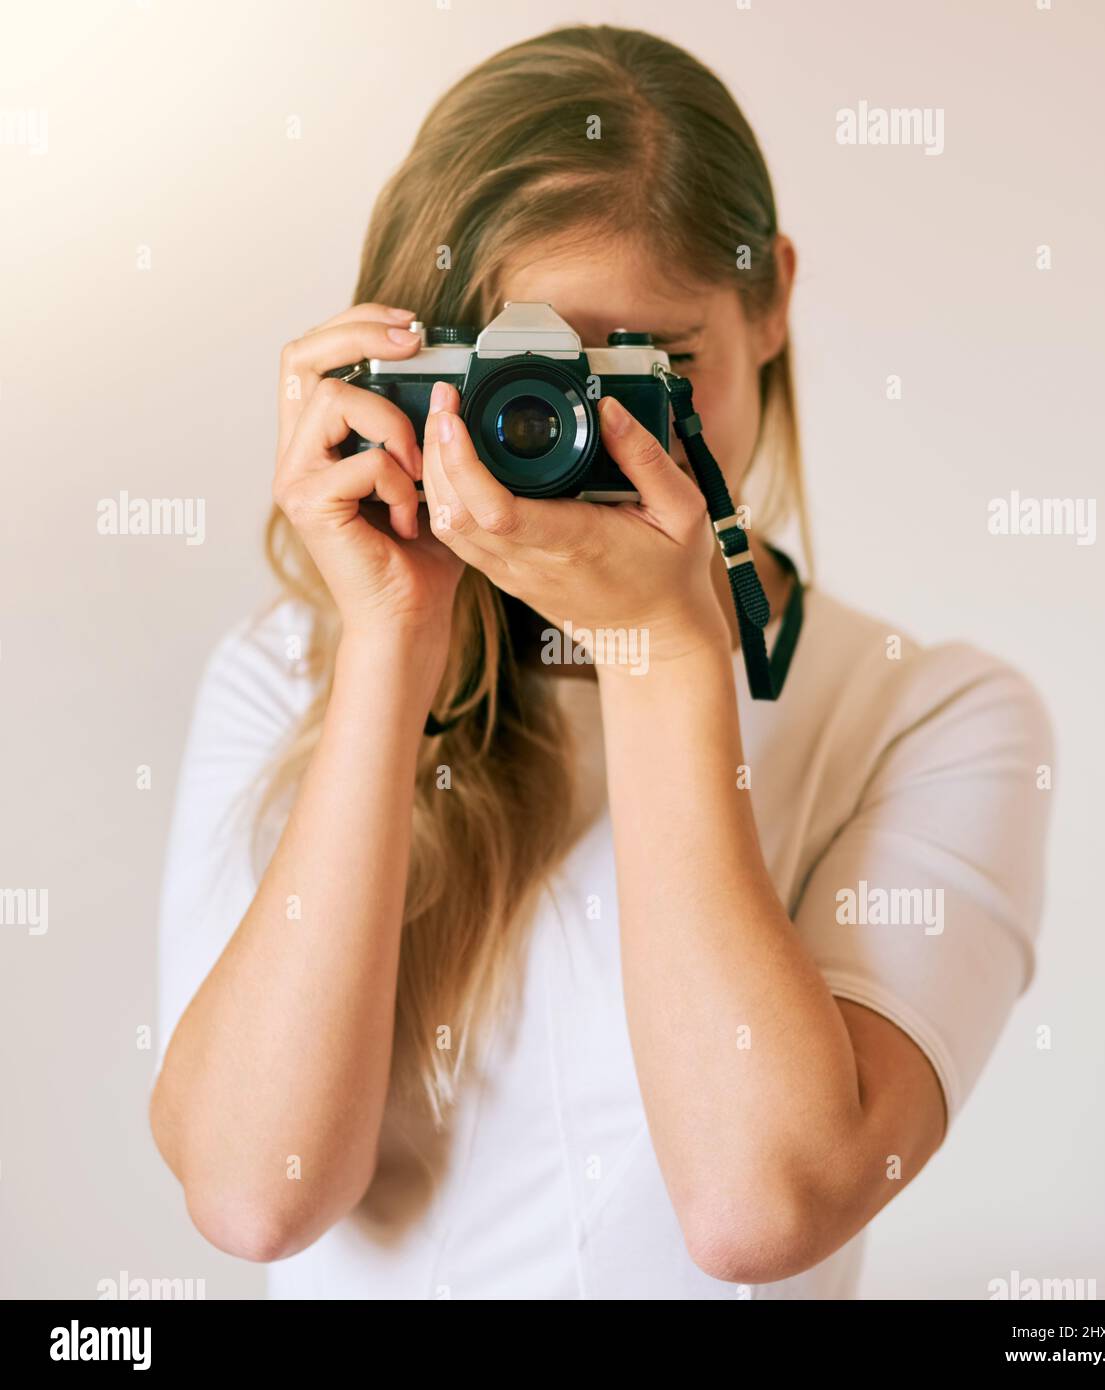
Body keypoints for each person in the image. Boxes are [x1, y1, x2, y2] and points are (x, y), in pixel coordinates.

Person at [150, 24, 1052, 1299]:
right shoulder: (290, 674)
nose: (585, 433)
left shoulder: (934, 717)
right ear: (413, 373)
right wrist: (392, 646)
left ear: (772, 297)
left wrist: (664, 653)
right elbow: (254, 1196)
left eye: (654, 368)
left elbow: (759, 1209)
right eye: (527, 383)